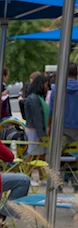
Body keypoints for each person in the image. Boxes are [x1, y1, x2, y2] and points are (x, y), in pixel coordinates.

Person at [49, 62, 78, 192]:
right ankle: (76, 182)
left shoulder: (57, 88)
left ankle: (58, 182)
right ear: (76, 74)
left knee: (57, 155)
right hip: (76, 128)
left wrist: (49, 126)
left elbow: (52, 110)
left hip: (60, 127)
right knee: (76, 155)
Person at [24, 74, 50, 182]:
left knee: (40, 155)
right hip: (35, 130)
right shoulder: (34, 99)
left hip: (36, 129)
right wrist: (41, 135)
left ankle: (42, 177)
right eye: (46, 84)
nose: (47, 87)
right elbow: (37, 118)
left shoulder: (34, 98)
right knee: (34, 154)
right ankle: (26, 176)